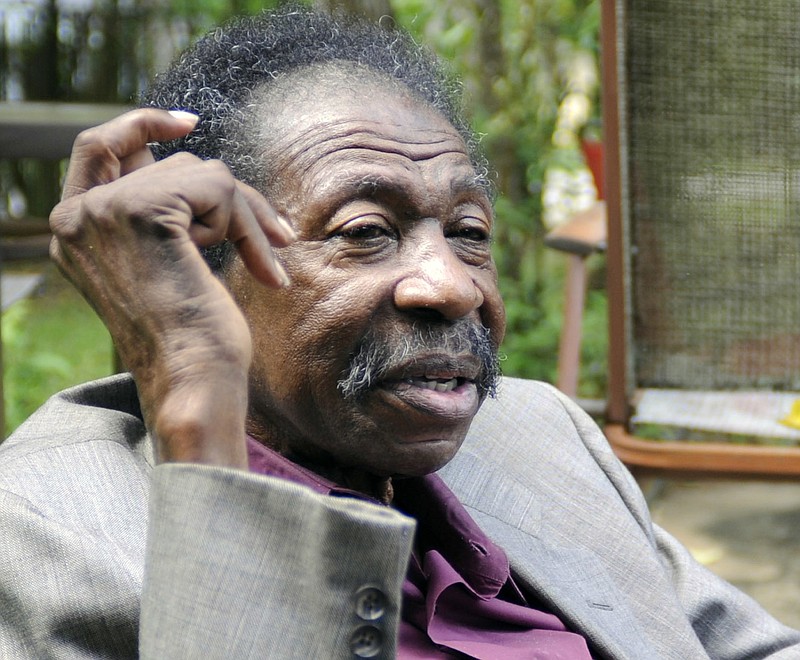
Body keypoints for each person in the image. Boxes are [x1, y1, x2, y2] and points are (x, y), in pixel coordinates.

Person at [0, 5, 798, 659]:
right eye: (364, 230)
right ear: (201, 275)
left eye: (469, 230)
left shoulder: (540, 433)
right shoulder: (40, 532)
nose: (450, 285)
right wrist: (189, 385)